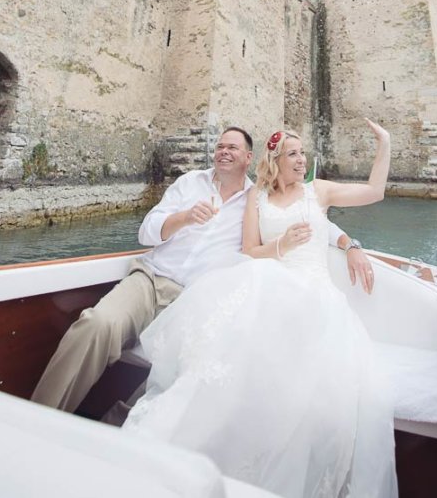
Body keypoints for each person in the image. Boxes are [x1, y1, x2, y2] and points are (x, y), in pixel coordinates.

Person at [122, 120, 398, 498]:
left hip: (315, 294)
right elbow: (250, 250)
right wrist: (281, 244)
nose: (302, 160)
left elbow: (375, 191)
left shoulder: (319, 191)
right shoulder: (258, 197)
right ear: (276, 160)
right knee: (231, 352)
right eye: (294, 154)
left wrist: (384, 144)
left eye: (303, 153)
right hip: (269, 281)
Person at [31, 126, 370, 413]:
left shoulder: (258, 199)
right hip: (150, 280)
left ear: (248, 158)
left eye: (233, 148)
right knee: (96, 323)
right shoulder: (189, 183)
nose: (224, 152)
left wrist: (350, 245)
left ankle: (126, 424)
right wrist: (183, 218)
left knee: (198, 365)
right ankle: (37, 417)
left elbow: (311, 223)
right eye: (220, 146)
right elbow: (146, 231)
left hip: (194, 298)